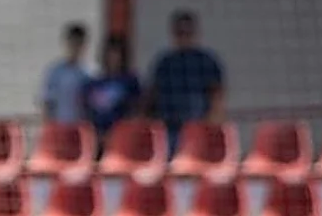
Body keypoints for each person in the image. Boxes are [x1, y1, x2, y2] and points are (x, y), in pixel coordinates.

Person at [145, 9, 226, 155]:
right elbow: (152, 95)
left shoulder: (207, 61)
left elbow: (217, 97)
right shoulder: (164, 62)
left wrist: (210, 127)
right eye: (179, 32)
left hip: (197, 129)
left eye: (187, 32)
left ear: (195, 33)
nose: (183, 37)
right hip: (168, 129)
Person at [82, 33, 142, 147]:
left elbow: (136, 110)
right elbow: (87, 112)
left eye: (117, 53)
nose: (113, 57)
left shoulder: (130, 81)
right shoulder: (94, 83)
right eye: (110, 53)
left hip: (122, 137)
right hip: (96, 138)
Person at [40, 23, 90, 123]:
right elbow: (47, 102)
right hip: (61, 127)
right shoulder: (55, 71)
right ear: (66, 43)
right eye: (72, 43)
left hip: (82, 128)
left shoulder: (90, 73)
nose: (75, 48)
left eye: (78, 44)